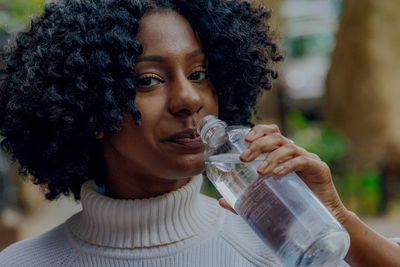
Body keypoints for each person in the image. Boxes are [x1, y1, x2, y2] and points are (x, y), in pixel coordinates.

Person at [0, 0, 347, 266]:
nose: (188, 99)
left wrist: (337, 217)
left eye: (198, 74)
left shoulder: (282, 250)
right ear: (89, 104)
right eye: (148, 80)